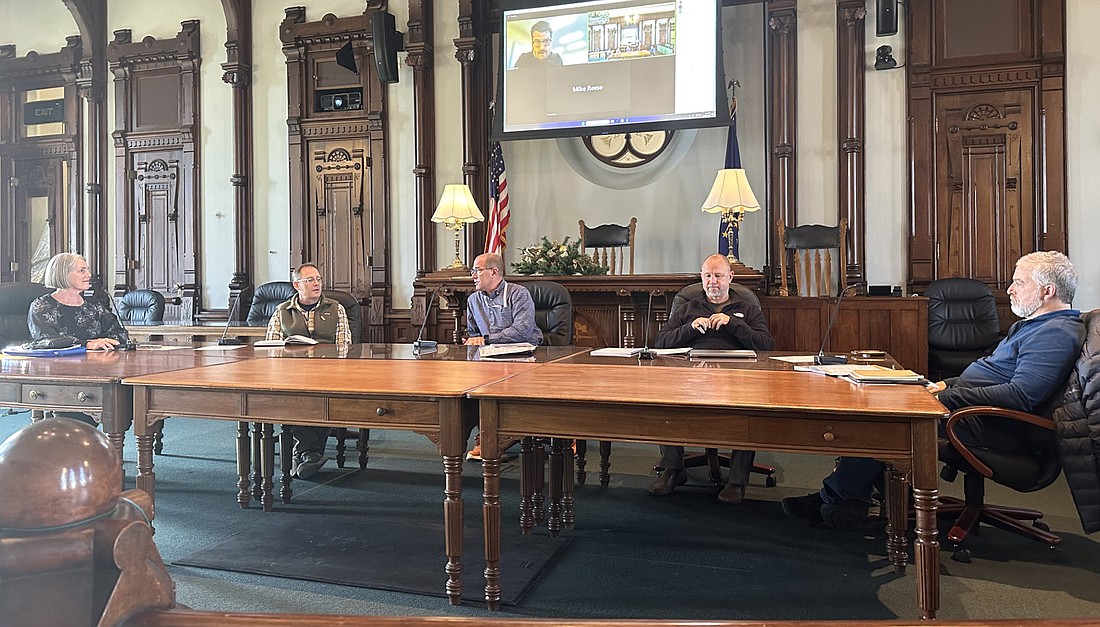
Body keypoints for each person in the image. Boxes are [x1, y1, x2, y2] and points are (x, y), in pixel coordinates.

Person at [782, 251, 1085, 530]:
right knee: (883, 401)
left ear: (1048, 290)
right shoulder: (1032, 325)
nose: (1009, 290)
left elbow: (1022, 396)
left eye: (1019, 282)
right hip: (974, 415)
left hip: (997, 427)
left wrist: (946, 396)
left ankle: (835, 499)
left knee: (883, 423)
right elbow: (989, 373)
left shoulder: (1055, 334)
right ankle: (850, 498)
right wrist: (940, 385)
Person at [648, 254, 775, 503]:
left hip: (737, 376)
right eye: (707, 276)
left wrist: (733, 324)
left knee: (746, 409)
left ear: (730, 277)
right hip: (692, 374)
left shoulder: (747, 308)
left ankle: (737, 481)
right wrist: (689, 328)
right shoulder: (688, 308)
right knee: (666, 402)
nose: (712, 281)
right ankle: (674, 469)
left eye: (718, 275)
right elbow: (660, 342)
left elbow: (767, 345)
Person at [265, 263, 352, 479]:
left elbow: (344, 345)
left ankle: (305, 452)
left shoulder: (336, 308)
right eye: (310, 280)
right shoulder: (282, 311)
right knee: (287, 400)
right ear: (297, 285)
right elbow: (271, 346)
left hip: (328, 372)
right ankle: (311, 452)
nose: (317, 284)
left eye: (319, 279)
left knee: (322, 400)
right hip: (292, 374)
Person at [463, 252, 543, 460]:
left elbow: (523, 331)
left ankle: (513, 434)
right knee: (475, 388)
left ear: (494, 272)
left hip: (522, 355)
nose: (473, 276)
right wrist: (476, 342)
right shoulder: (473, 300)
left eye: (477, 271)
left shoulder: (518, 293)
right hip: (489, 358)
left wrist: (487, 340)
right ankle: (488, 435)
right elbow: (474, 334)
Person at [28, 252, 130, 351]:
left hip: (97, 363)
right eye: (82, 271)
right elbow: (46, 341)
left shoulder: (93, 304)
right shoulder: (42, 306)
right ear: (64, 274)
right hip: (58, 364)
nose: (89, 275)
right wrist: (87, 344)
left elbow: (119, 333)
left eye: (88, 270)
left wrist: (103, 342)